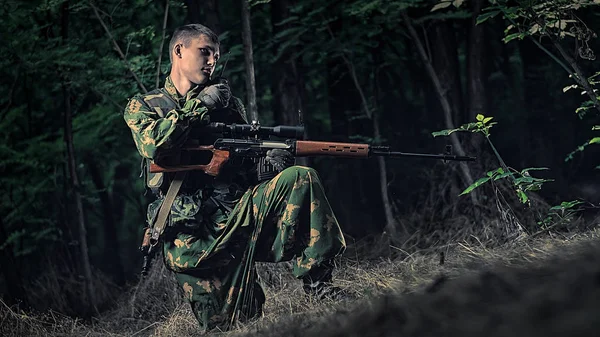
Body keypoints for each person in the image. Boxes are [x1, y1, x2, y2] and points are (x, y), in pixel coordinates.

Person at [122, 23, 346, 332]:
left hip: (240, 217)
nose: (212, 61)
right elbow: (155, 144)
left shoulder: (225, 104)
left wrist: (269, 163)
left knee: (300, 178)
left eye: (216, 55)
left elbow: (246, 163)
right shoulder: (145, 106)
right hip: (194, 239)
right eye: (204, 52)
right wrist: (200, 107)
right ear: (178, 51)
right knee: (234, 325)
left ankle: (319, 285)